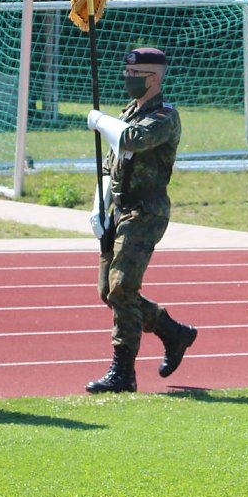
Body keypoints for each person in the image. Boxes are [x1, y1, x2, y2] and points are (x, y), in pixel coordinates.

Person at [84, 47, 197, 393]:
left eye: (135, 75)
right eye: (126, 72)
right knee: (108, 291)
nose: (127, 79)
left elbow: (131, 139)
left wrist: (100, 120)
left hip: (146, 212)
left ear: (155, 79)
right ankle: (172, 331)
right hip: (118, 210)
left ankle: (123, 372)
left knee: (121, 287)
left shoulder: (164, 116)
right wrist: (98, 210)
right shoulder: (126, 113)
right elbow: (109, 166)